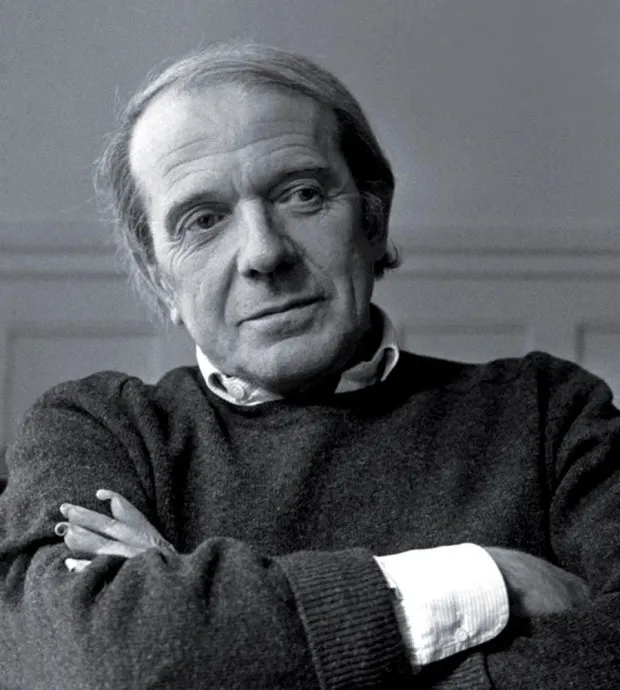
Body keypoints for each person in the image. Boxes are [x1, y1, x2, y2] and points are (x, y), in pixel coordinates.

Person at [0, 41, 618, 689]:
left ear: (373, 220)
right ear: (159, 278)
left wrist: (200, 624)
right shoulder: (99, 430)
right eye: (203, 220)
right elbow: (88, 663)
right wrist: (481, 583)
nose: (264, 254)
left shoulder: (549, 414)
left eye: (301, 194)